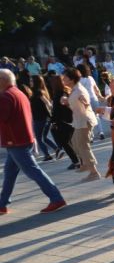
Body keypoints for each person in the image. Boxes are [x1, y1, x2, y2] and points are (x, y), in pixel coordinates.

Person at [0, 69, 67, 214]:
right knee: (10, 173)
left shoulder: (5, 96)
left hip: (16, 141)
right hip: (21, 139)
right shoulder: (19, 93)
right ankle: (2, 204)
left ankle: (56, 198)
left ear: (2, 80)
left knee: (33, 171)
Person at [62, 67, 101, 181]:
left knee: (83, 145)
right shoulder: (74, 90)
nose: (63, 80)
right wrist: (66, 102)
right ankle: (84, 164)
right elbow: (75, 105)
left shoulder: (79, 90)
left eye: (65, 78)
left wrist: (86, 103)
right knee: (74, 142)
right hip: (79, 121)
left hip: (85, 121)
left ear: (72, 79)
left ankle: (94, 172)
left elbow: (85, 102)